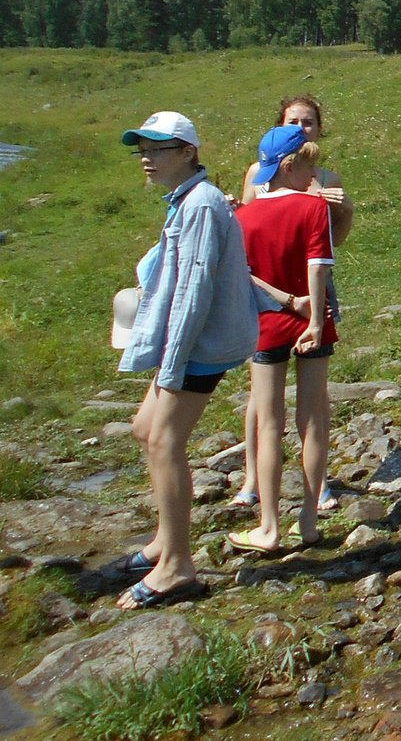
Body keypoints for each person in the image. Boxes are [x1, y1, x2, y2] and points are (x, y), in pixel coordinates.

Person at [115, 111, 258, 608]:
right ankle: (163, 541)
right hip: (189, 343)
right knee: (143, 428)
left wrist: (171, 362)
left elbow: (195, 289)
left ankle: (177, 567)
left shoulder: (199, 205)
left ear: (188, 153)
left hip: (199, 347)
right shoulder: (190, 200)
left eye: (158, 149)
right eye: (143, 150)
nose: (147, 159)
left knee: (163, 438)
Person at [233, 93, 350, 512]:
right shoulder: (303, 200)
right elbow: (319, 261)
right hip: (300, 300)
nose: (302, 127)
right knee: (309, 407)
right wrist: (312, 313)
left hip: (272, 301)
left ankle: (269, 517)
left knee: (271, 412)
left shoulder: (326, 180)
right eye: (294, 122)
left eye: (308, 121)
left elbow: (239, 259)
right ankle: (304, 510)